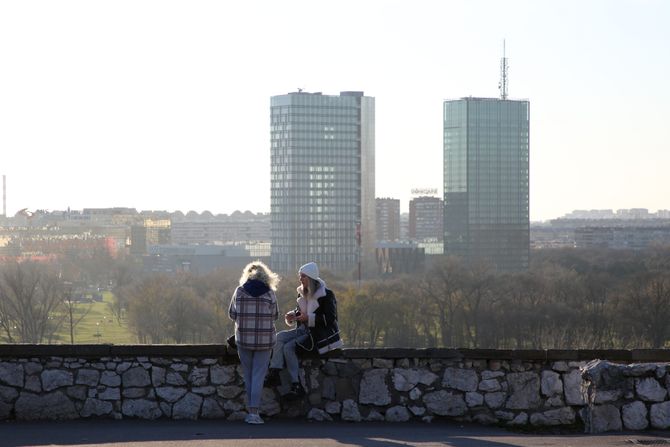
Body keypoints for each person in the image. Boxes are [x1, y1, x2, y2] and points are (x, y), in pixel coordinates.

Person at [265, 261, 343, 398]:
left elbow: (331, 318)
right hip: (304, 331)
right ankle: (275, 371)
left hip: (318, 335)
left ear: (311, 278)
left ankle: (296, 385)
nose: (300, 279)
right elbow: (301, 311)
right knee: (278, 338)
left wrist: (309, 318)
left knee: (289, 347)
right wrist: (293, 315)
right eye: (300, 276)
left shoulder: (326, 295)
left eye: (303, 276)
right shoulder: (302, 293)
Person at [228, 261, 279, 424]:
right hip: (264, 341)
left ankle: (250, 411)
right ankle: (254, 413)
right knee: (258, 376)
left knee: (248, 375)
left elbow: (232, 314)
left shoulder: (239, 291)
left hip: (244, 339)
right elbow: (275, 315)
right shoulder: (270, 293)